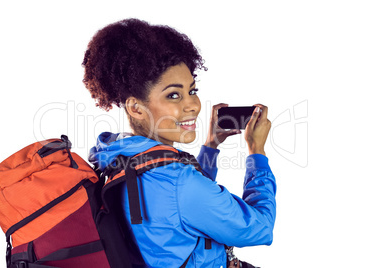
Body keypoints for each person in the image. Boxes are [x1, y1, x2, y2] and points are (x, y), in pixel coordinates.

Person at [82, 18, 276, 268]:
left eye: (192, 91)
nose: (193, 105)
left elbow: (182, 206)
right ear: (136, 107)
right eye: (173, 95)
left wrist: (211, 146)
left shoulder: (116, 158)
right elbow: (260, 229)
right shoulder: (179, 182)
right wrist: (257, 154)